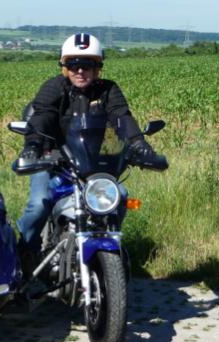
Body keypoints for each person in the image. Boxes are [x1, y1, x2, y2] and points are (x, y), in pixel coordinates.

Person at [16, 32, 166, 272]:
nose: (79, 71)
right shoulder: (54, 87)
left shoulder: (108, 90)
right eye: (72, 65)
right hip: (52, 160)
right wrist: (32, 147)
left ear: (97, 68)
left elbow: (122, 117)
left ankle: (109, 242)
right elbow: (42, 116)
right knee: (39, 203)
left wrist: (140, 146)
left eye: (86, 65)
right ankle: (25, 252)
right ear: (64, 67)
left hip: (91, 164)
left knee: (120, 196)